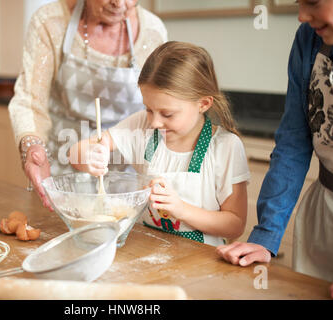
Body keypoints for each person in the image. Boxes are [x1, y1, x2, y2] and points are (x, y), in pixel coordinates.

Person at [69, 41, 251, 246]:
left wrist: (181, 209)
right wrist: (88, 156)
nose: (154, 122)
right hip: (147, 251)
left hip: (201, 265)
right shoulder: (141, 125)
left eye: (167, 114)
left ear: (203, 104)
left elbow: (235, 225)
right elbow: (76, 153)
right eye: (148, 109)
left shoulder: (226, 147)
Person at [215, 0, 333, 298]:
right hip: (325, 213)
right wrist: (266, 235)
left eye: (313, 2)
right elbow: (294, 143)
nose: (301, 15)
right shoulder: (308, 40)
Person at [8, 0, 167, 210]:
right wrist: (32, 146)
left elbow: (161, 107)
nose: (119, 3)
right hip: (60, 173)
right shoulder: (51, 22)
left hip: (129, 180)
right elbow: (30, 99)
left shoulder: (153, 32)